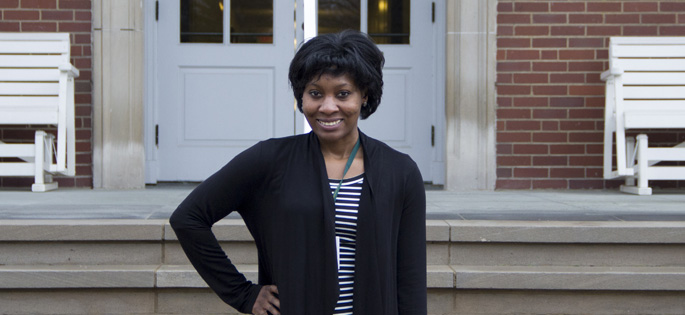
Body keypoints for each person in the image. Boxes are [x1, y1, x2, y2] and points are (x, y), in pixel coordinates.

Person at [170, 30, 426, 315]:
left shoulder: (400, 172)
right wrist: (243, 293)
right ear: (301, 97)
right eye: (315, 93)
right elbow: (188, 219)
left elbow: (410, 276)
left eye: (343, 93)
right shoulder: (269, 161)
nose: (328, 107)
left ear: (364, 95)